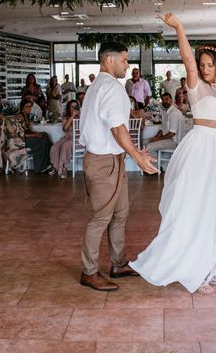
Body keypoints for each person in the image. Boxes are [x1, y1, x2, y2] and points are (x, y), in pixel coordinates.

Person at [130, 13, 216, 295]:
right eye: (202, 64)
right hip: (198, 150)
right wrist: (180, 28)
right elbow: (187, 59)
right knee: (196, 207)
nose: (204, 68)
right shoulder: (195, 86)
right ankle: (196, 269)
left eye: (209, 65)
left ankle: (211, 263)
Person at [79, 41, 158, 292]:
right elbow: (117, 128)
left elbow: (115, 127)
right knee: (100, 218)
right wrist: (136, 156)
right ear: (109, 60)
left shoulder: (99, 85)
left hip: (113, 160)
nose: (128, 64)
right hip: (104, 164)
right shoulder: (110, 87)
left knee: (120, 213)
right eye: (124, 60)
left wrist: (130, 154)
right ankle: (89, 272)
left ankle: (118, 263)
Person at [15, 99, 53, 174]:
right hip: (21, 140)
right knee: (41, 141)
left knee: (45, 135)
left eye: (30, 106)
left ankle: (46, 163)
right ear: (22, 108)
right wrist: (35, 134)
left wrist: (36, 133)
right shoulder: (20, 117)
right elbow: (20, 134)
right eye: (27, 106)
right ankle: (40, 167)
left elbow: (28, 130)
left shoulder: (26, 116)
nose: (29, 108)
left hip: (27, 137)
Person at [144, 92, 184, 162]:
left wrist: (157, 139)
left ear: (171, 100)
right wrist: (155, 137)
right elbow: (162, 129)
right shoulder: (165, 112)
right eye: (163, 100)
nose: (165, 101)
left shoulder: (174, 113)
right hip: (168, 139)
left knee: (148, 147)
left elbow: (172, 133)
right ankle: (157, 164)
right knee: (144, 142)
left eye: (167, 99)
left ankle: (155, 168)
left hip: (174, 141)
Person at [50, 99, 80, 178]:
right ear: (69, 108)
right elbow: (65, 129)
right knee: (54, 147)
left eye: (75, 106)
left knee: (65, 145)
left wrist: (77, 116)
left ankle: (64, 168)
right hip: (67, 137)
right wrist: (72, 116)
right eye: (72, 106)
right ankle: (56, 167)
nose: (73, 108)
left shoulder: (81, 117)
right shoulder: (66, 118)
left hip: (77, 140)